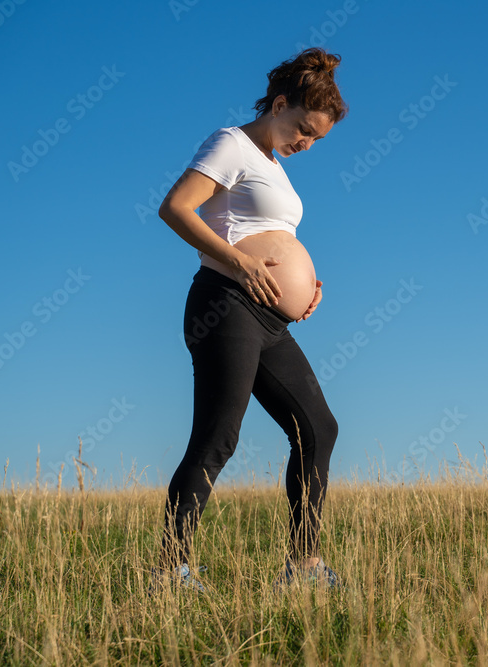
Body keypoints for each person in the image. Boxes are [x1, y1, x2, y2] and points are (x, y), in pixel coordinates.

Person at [149, 47, 349, 594]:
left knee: (318, 429)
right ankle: (170, 572)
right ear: (279, 104)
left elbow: (274, 239)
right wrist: (240, 261)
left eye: (316, 140)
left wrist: (303, 289)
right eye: (303, 129)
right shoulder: (231, 144)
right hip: (225, 304)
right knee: (218, 436)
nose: (306, 144)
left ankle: (303, 568)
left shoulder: (278, 171)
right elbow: (175, 207)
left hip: (269, 317)